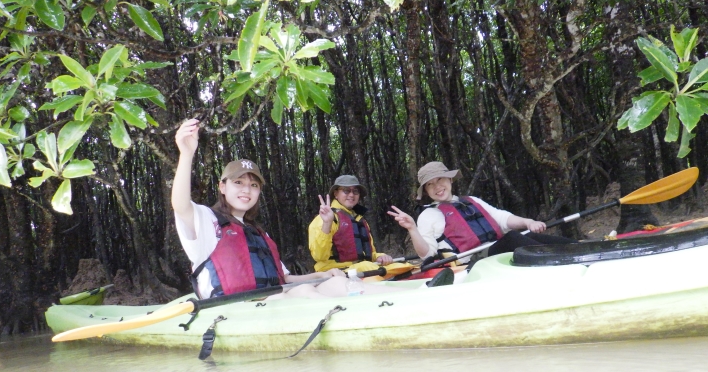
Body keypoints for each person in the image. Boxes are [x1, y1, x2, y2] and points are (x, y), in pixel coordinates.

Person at [172, 118, 356, 300]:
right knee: (299, 294)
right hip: (232, 312)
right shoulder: (206, 220)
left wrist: (320, 276)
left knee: (336, 284)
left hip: (272, 302)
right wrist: (186, 154)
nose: (246, 190)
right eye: (238, 182)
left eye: (253, 185)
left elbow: (284, 279)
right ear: (222, 187)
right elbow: (180, 206)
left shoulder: (259, 233)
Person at [388, 161, 575, 265]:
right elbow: (426, 254)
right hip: (474, 261)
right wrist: (412, 229)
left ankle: (580, 249)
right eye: (430, 184)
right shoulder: (428, 215)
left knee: (531, 235)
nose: (437, 187)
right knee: (513, 239)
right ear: (426, 191)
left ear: (450, 180)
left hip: (497, 247)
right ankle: (559, 262)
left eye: (440, 180)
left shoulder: (471, 201)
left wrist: (527, 222)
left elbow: (502, 218)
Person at [308, 175, 394, 272]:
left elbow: (369, 254)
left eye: (355, 191)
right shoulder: (323, 219)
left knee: (399, 267)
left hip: (361, 269)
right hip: (335, 273)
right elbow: (319, 256)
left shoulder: (359, 220)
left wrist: (380, 256)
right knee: (368, 267)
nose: (351, 195)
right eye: (346, 190)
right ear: (336, 193)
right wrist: (327, 223)